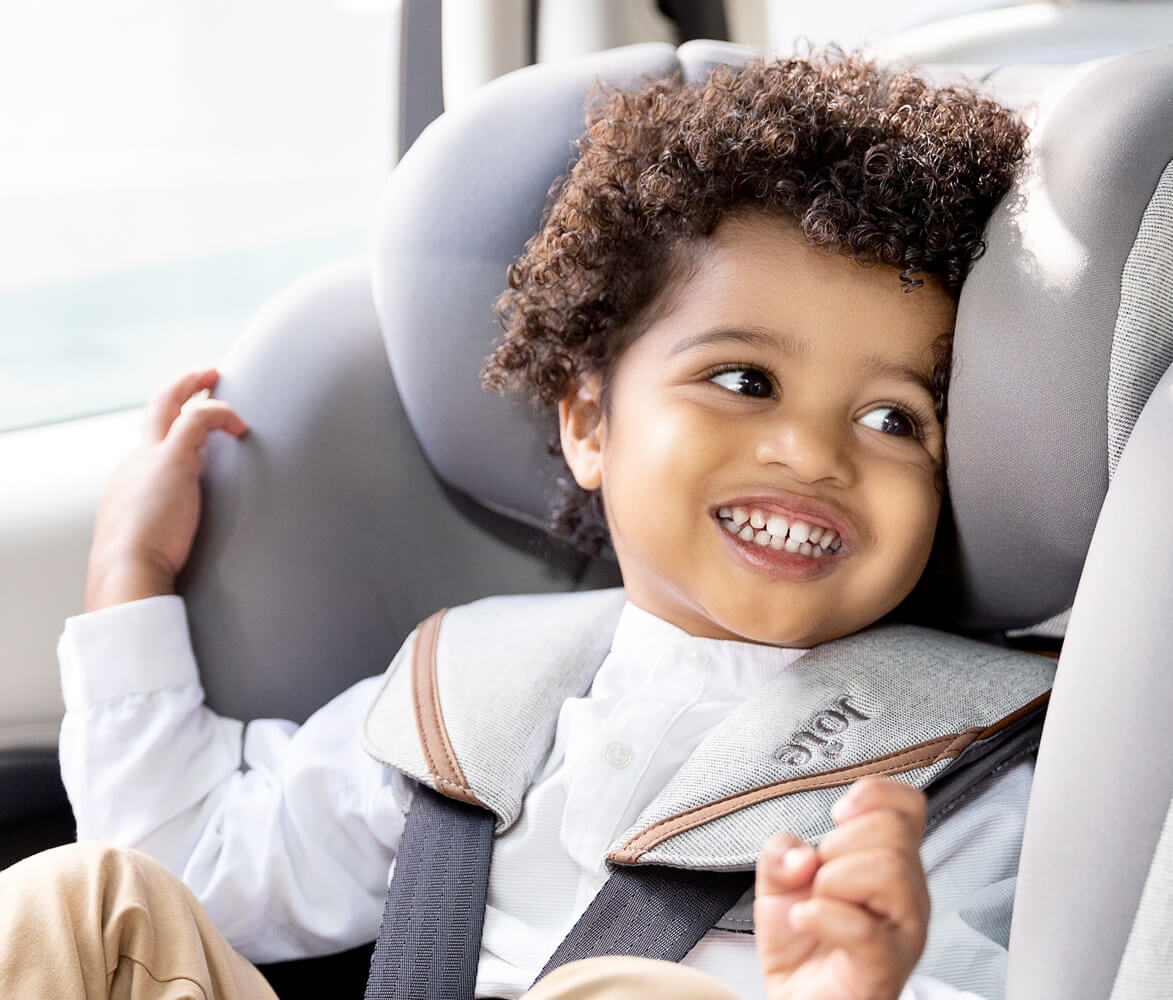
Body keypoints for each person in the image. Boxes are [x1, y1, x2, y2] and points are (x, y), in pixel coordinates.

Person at [0, 48, 1030, 1000]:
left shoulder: (959, 776)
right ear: (589, 421)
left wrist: (861, 980)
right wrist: (127, 570)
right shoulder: (468, 695)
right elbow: (194, 868)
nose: (813, 452)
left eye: (895, 418)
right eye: (743, 379)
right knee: (79, 902)